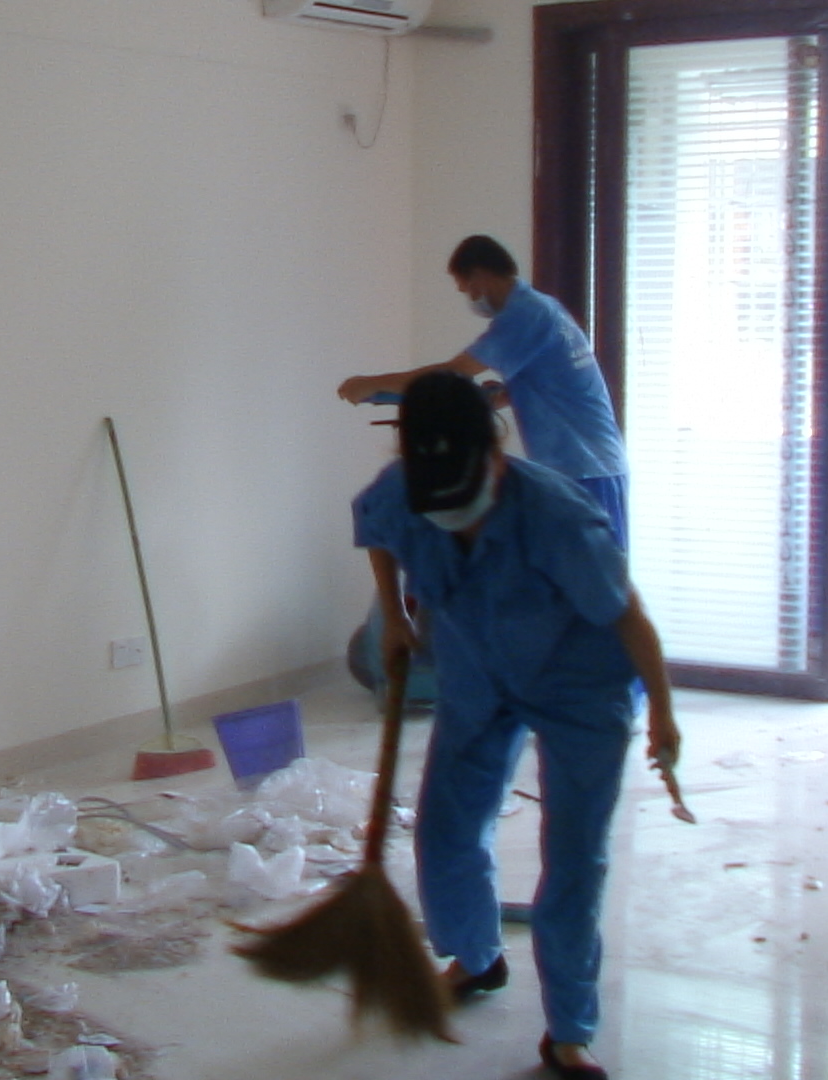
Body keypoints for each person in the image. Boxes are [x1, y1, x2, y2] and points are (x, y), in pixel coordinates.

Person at [352, 371, 680, 1080]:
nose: (457, 519)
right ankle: (476, 959)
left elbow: (629, 614)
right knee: (444, 830)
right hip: (476, 675)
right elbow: (376, 527)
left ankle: (568, 1032)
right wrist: (396, 615)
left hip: (577, 688)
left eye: (467, 503)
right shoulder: (404, 488)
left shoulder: (557, 515)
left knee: (573, 858)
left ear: (495, 455)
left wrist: (662, 710)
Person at [338, 234, 630, 548]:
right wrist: (493, 398)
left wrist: (372, 383)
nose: (470, 297)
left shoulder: (525, 315)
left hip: (583, 470)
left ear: (479, 275)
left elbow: (456, 371)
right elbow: (545, 384)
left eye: (467, 288)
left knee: (590, 570)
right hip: (586, 465)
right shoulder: (543, 308)